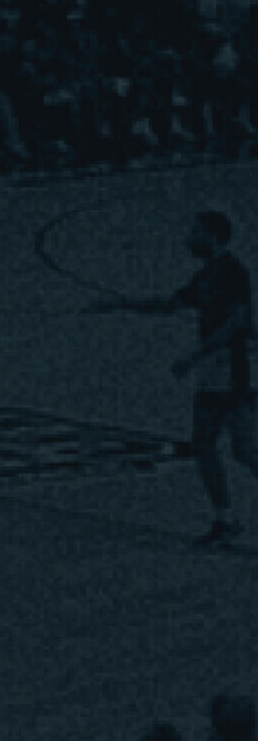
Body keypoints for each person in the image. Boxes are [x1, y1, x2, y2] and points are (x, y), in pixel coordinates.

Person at [102, 210, 254, 543]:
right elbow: (170, 303)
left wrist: (194, 357)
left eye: (195, 232)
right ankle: (225, 520)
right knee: (223, 446)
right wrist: (121, 304)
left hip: (229, 368)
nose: (188, 239)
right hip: (216, 369)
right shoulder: (206, 275)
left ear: (212, 236)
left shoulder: (232, 272)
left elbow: (237, 322)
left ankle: (225, 520)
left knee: (231, 447)